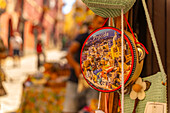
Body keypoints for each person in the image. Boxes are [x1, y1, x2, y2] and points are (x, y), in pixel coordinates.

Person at [63, 15, 106, 113]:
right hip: (75, 80)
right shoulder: (83, 37)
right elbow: (68, 54)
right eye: (99, 23)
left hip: (94, 84)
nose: (101, 26)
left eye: (103, 24)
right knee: (69, 109)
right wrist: (76, 66)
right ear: (93, 22)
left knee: (93, 110)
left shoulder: (104, 40)